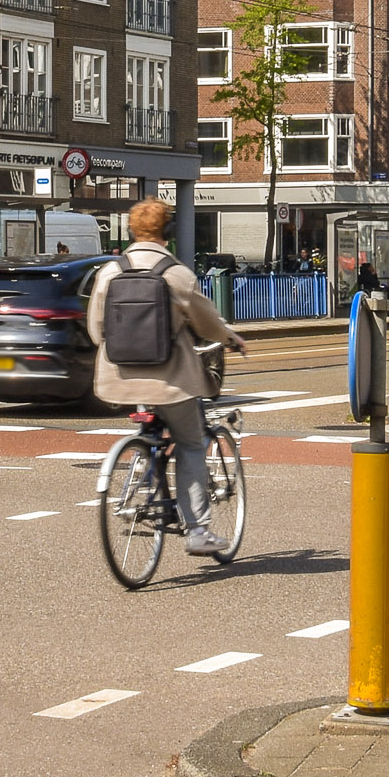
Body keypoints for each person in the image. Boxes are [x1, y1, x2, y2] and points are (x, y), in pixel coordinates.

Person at [91, 197, 247, 558]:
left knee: (152, 425)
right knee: (191, 443)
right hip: (170, 382)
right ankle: (198, 531)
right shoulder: (176, 274)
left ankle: (144, 466)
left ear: (133, 231)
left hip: (119, 380)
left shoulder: (110, 272)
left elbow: (97, 330)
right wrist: (231, 338)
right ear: (168, 232)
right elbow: (207, 324)